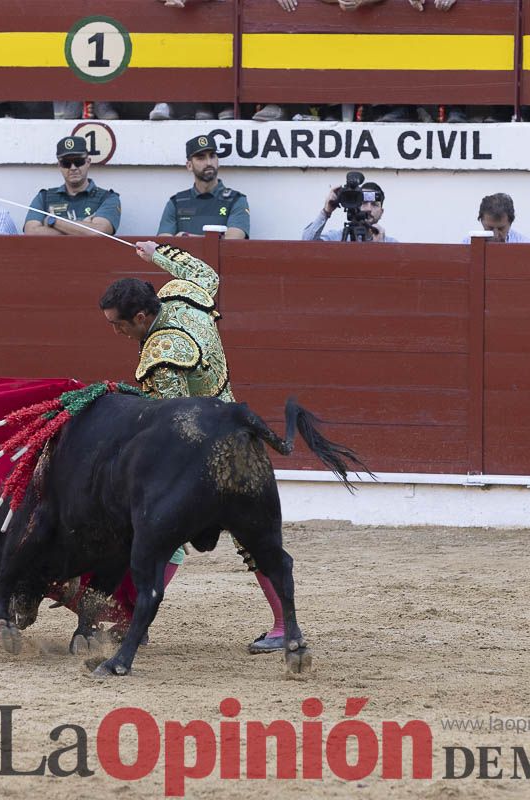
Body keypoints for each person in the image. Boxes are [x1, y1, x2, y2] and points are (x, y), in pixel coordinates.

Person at [98, 241, 292, 654]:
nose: (116, 332)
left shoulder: (163, 353)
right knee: (254, 539)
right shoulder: (181, 296)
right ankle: (281, 626)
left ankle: (135, 619)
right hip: (239, 429)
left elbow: (171, 417)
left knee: (159, 531)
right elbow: (206, 275)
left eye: (119, 325)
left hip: (203, 449)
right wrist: (157, 253)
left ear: (142, 316)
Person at [23, 137, 121, 236]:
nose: (73, 168)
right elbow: (31, 232)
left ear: (88, 162)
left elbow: (98, 233)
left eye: (78, 161)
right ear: (59, 166)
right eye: (66, 163)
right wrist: (85, 226)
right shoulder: (44, 198)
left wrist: (53, 221)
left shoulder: (108, 198)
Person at [158, 134, 250, 239]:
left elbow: (233, 240)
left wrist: (187, 237)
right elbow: (164, 242)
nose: (209, 162)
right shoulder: (176, 202)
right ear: (189, 166)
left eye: (212, 156)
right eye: (201, 158)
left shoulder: (236, 200)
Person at [302, 179, 398, 242]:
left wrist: (381, 249)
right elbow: (306, 243)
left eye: (374, 204)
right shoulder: (337, 238)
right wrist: (326, 212)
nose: (369, 209)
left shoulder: (390, 243)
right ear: (355, 204)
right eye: (364, 202)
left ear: (381, 212)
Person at [461, 193, 530, 243]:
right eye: (490, 228)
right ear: (481, 221)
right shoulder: (466, 244)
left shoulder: (526, 245)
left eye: (501, 229)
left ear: (510, 222)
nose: (495, 235)